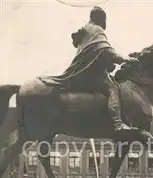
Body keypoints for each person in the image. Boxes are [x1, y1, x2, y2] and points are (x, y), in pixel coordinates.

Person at [41, 6, 139, 138]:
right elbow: (105, 50)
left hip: (80, 72)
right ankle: (118, 124)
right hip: (91, 74)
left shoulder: (86, 29)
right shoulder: (96, 29)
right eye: (105, 19)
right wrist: (124, 59)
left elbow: (96, 53)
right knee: (113, 88)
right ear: (100, 18)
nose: (106, 23)